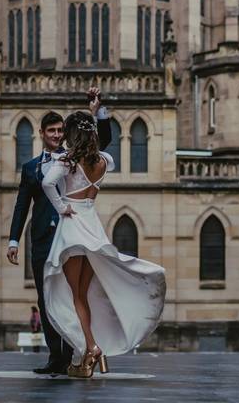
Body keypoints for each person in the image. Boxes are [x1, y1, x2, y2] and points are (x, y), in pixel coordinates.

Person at [41, 111, 166, 378]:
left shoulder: (67, 162)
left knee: (76, 295)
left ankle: (92, 347)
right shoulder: (104, 161)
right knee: (83, 294)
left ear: (72, 136)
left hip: (73, 229)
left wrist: (62, 207)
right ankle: (88, 355)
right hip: (93, 226)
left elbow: (47, 183)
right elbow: (103, 152)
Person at [6, 89, 112, 376]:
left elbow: (105, 140)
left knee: (74, 295)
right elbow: (21, 206)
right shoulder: (31, 168)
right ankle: (58, 357)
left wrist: (98, 112)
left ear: (66, 134)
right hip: (44, 240)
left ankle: (76, 353)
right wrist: (14, 239)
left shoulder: (74, 159)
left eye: (60, 130)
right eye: (51, 130)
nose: (56, 134)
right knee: (48, 297)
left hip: (71, 236)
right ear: (41, 133)